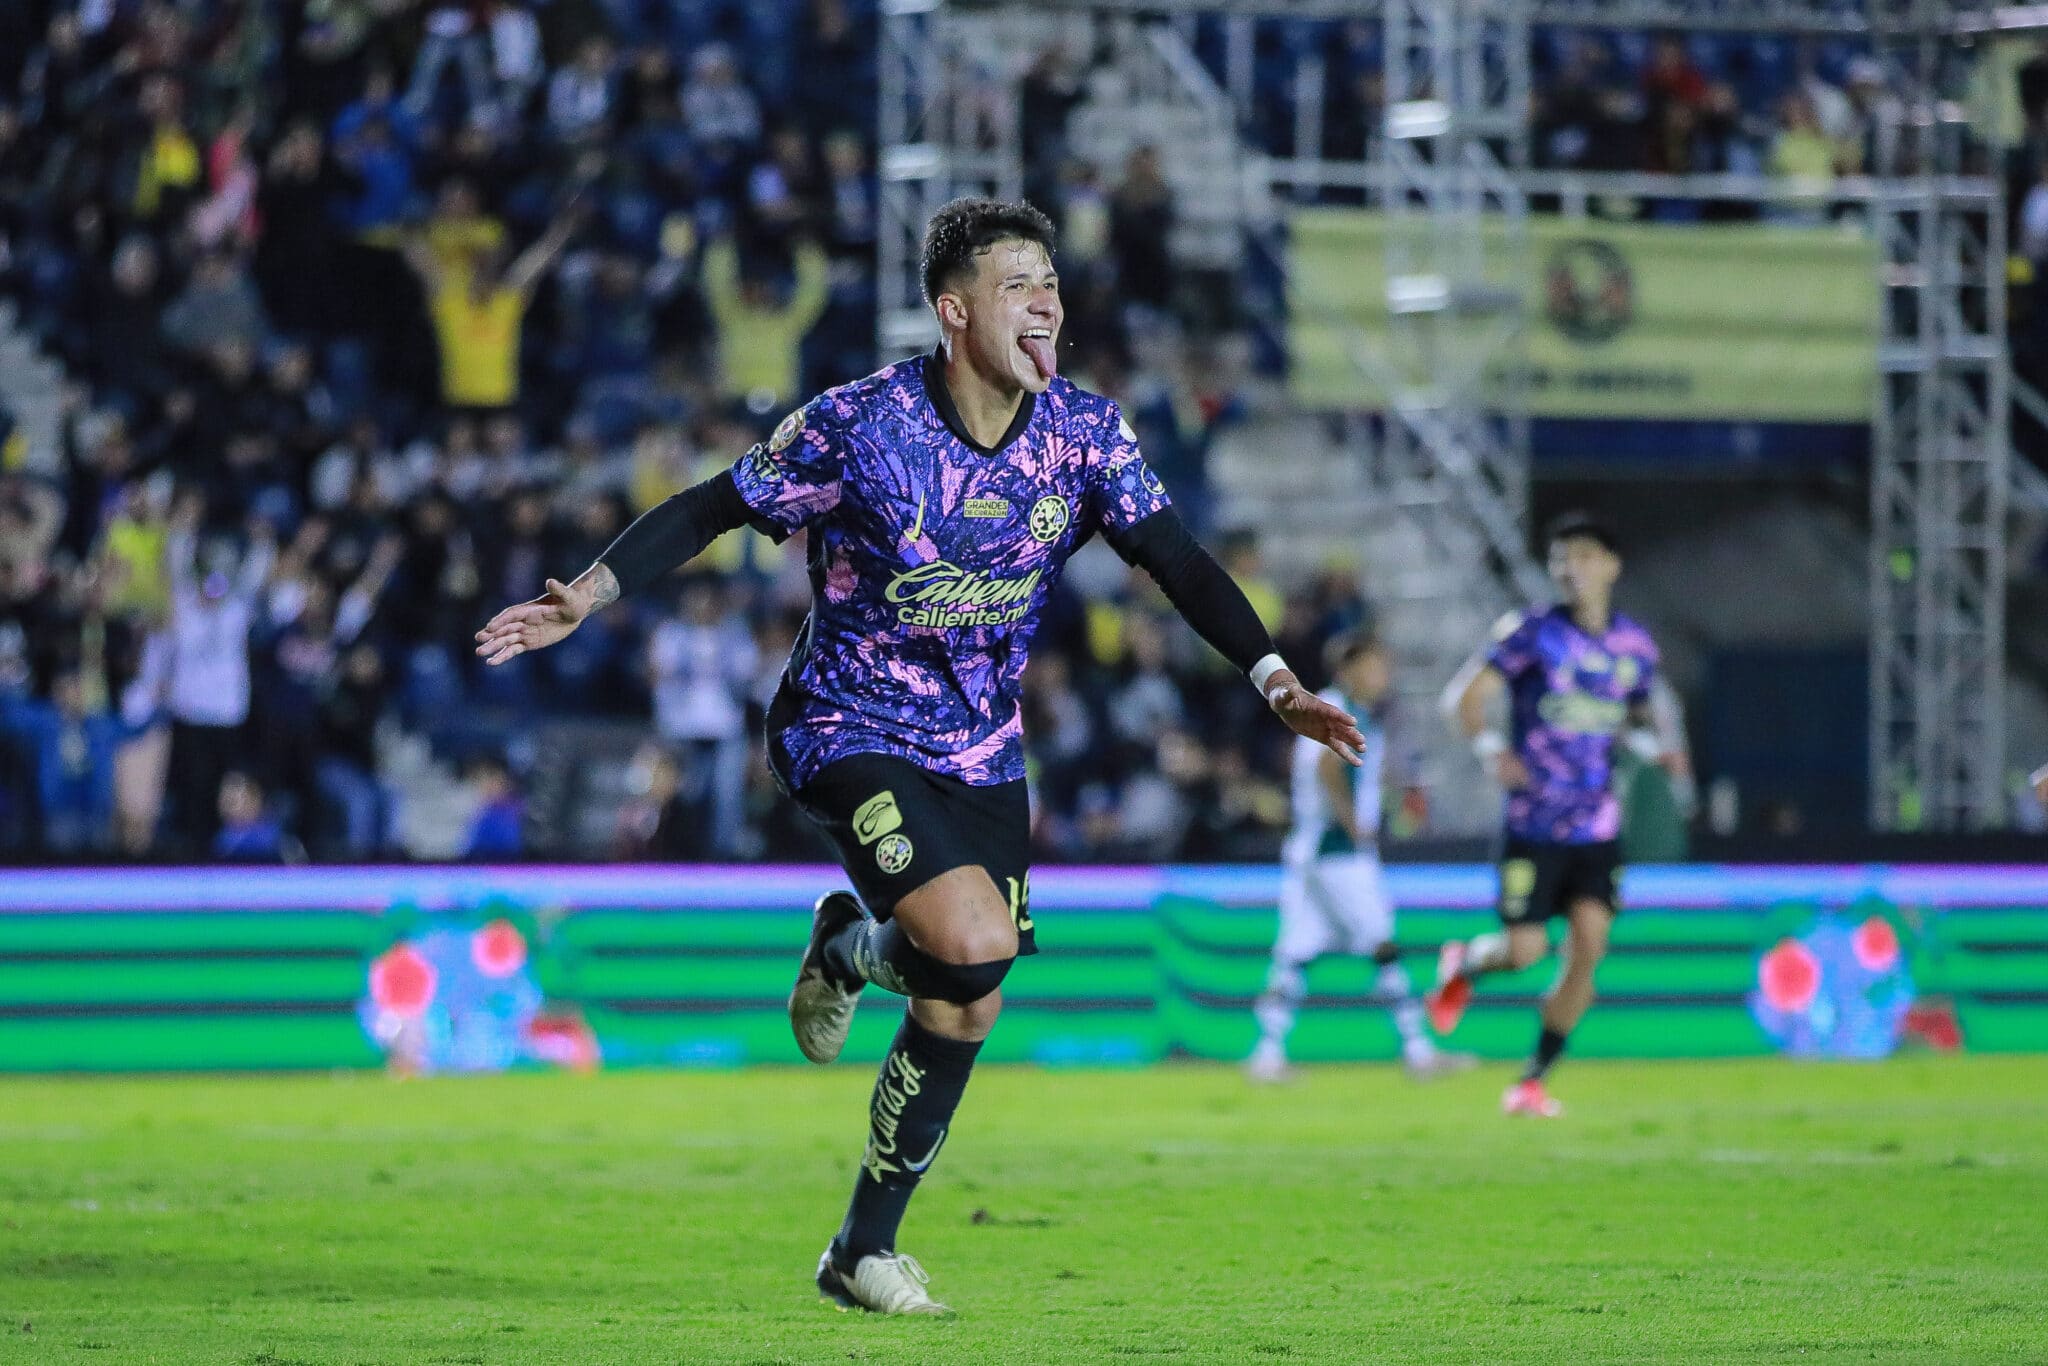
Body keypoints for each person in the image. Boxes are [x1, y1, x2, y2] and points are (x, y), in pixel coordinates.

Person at [474, 198, 1362, 1315]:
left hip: (982, 752)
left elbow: (1176, 561)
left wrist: (1274, 680)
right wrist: (587, 594)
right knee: (974, 937)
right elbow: (714, 503)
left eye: (1050, 282)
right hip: (843, 725)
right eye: (1015, 284)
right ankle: (853, 951)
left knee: (967, 995)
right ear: (954, 312)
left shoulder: (1083, 436)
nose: (1044, 301)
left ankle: (858, 1238)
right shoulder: (861, 424)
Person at [1426, 513, 1677, 1118]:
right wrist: (1490, 749)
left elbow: (1635, 719)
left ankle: (1533, 1080)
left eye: (1586, 556)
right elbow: (1462, 697)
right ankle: (1467, 961)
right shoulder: (1531, 632)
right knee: (1525, 952)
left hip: (1598, 826)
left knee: (1590, 947)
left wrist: (1654, 751)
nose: (1573, 569)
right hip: (1535, 823)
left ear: (1612, 566)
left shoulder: (1634, 647)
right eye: (1563, 558)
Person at [1248, 631, 1473, 1083]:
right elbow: (1329, 766)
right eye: (1374, 666)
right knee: (1383, 943)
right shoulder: (1334, 708)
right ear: (1349, 669)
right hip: (1337, 853)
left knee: (1296, 953)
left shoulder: (1348, 711)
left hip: (1315, 851)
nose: (1382, 676)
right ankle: (1418, 1051)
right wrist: (1353, 823)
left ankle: (1266, 1055)